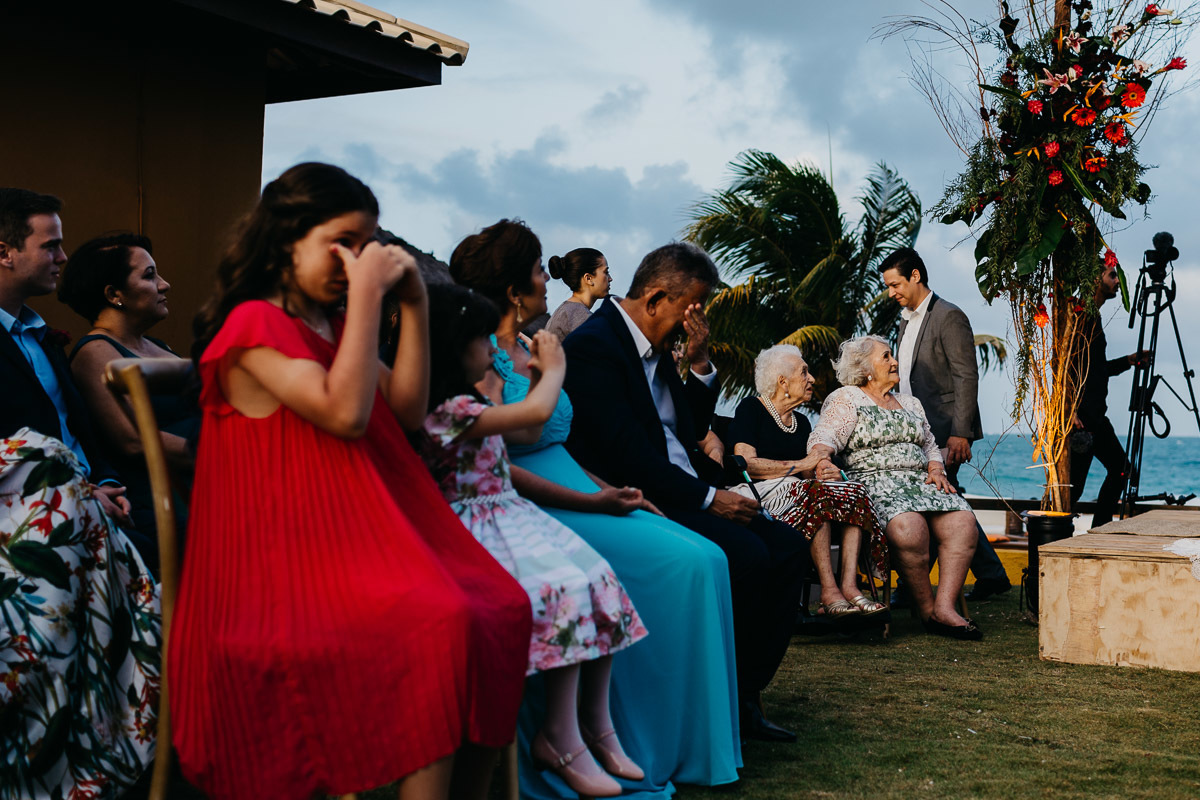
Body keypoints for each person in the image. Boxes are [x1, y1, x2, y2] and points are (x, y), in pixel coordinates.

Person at [173, 162, 531, 800]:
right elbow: (345, 413)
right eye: (341, 243)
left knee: (502, 608)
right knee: (440, 622)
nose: (354, 261)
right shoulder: (251, 325)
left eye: (363, 246)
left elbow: (408, 411)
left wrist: (416, 303)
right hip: (277, 561)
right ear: (288, 240)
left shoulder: (334, 325)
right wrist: (368, 297)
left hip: (341, 540)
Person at [446, 220, 742, 797]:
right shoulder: (484, 360)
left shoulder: (535, 347)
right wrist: (591, 499)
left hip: (583, 484)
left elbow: (568, 441)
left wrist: (617, 492)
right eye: (537, 272)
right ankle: (623, 737)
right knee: (683, 567)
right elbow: (493, 459)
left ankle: (691, 744)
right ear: (513, 290)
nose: (546, 281)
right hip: (531, 500)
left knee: (703, 556)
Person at [563, 241, 808, 743]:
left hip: (690, 484)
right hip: (643, 496)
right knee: (747, 556)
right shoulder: (595, 347)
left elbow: (688, 427)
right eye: (689, 311)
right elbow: (628, 455)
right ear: (654, 300)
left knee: (788, 549)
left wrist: (697, 363)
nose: (692, 325)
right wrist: (708, 500)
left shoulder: (656, 348)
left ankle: (744, 695)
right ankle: (713, 700)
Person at [415, 283, 648, 799]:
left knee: (596, 576)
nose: (489, 348)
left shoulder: (473, 400)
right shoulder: (446, 411)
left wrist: (592, 498)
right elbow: (533, 416)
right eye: (480, 339)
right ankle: (560, 736)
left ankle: (594, 723)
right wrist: (554, 368)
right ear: (457, 346)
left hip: (509, 514)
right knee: (558, 589)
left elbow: (503, 461)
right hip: (470, 528)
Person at [1, 427, 162, 800]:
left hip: (75, 487)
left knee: (52, 466)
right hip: (39, 496)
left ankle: (98, 720)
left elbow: (79, 425)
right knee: (47, 463)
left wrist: (97, 482)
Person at [808, 335, 983, 640]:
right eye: (886, 357)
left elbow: (929, 444)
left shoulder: (910, 402)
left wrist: (935, 467)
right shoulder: (847, 398)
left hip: (920, 481)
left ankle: (945, 607)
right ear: (866, 369)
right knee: (909, 529)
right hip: (876, 481)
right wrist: (822, 458)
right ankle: (928, 609)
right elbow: (823, 436)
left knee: (963, 522)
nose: (894, 362)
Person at [879, 247, 1012, 602]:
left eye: (895, 285)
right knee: (947, 499)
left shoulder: (949, 315)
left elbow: (966, 375)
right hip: (916, 429)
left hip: (946, 430)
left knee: (939, 498)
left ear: (915, 276)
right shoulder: (906, 321)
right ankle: (992, 574)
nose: (892, 293)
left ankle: (913, 587)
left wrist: (960, 433)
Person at [59, 233, 199, 567]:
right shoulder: (95, 352)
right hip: (161, 498)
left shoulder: (158, 346)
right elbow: (133, 441)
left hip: (206, 484)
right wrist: (219, 452)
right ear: (114, 294)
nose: (164, 285)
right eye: (149, 275)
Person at [0, 188, 133, 529]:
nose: (63, 257)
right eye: (50, 246)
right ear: (4, 253)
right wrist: (80, 493)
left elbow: (77, 428)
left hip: (94, 504)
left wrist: (105, 482)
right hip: (30, 522)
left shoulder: (44, 338)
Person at [728, 344, 887, 618]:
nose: (811, 378)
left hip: (798, 492)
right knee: (815, 495)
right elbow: (749, 464)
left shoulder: (801, 422)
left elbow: (809, 474)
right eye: (804, 372)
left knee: (853, 492)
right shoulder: (751, 409)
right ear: (782, 382)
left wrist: (827, 472)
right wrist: (803, 465)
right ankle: (828, 590)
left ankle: (849, 586)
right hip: (757, 492)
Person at [1071, 261, 1145, 528]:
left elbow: (1096, 369)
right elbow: (1063, 364)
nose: (1117, 281)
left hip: (1095, 418)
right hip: (1080, 421)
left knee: (1122, 470)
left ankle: (1099, 530)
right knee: (1070, 491)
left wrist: (1129, 360)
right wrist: (1069, 409)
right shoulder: (1080, 316)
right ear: (1095, 278)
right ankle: (1049, 554)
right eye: (1112, 275)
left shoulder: (1093, 316)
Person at [545, 247, 611, 340]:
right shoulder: (580, 317)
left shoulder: (567, 311)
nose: (610, 278)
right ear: (588, 278)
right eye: (606, 272)